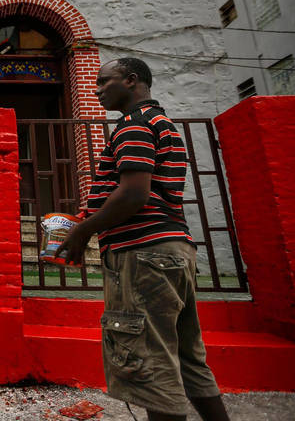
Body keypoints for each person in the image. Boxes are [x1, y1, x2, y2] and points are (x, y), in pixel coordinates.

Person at [58, 58, 230, 421]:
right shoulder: (161, 123)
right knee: (186, 359)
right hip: (172, 251)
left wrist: (84, 229)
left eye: (105, 82)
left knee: (150, 366)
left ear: (132, 80)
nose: (97, 90)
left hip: (143, 256)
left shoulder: (133, 125)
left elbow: (135, 193)